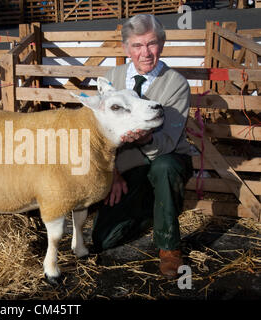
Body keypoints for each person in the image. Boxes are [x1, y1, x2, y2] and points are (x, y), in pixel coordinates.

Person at [92, 14, 196, 278]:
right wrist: (112, 173)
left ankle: (169, 246)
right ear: (127, 49)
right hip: (126, 163)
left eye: (151, 44)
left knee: (164, 168)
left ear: (161, 45)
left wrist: (142, 137)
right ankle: (155, 208)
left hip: (166, 157)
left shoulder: (176, 85)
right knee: (104, 241)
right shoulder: (111, 78)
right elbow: (101, 133)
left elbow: (167, 141)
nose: (145, 53)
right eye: (137, 46)